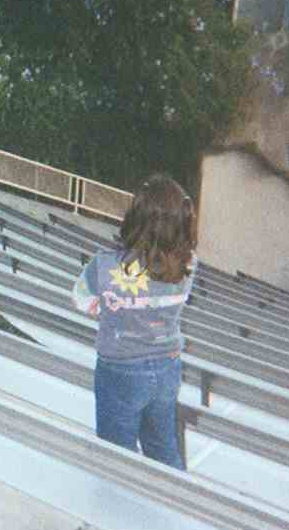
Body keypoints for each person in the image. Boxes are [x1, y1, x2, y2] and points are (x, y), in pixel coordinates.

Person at [71, 173, 197, 470]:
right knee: (163, 444)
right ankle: (178, 500)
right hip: (168, 366)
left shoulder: (105, 264)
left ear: (136, 217)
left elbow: (80, 300)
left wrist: (114, 308)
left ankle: (123, 503)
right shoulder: (189, 263)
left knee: (118, 452)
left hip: (121, 368)